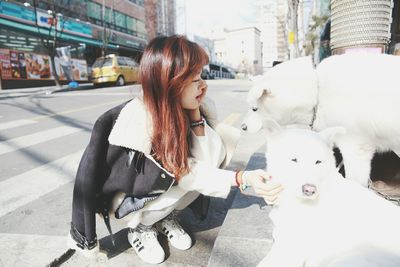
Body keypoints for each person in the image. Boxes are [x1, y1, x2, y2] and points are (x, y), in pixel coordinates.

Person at [68, 35, 283, 264]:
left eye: (201, 76)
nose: (203, 85)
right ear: (170, 83)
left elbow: (211, 160)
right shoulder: (139, 120)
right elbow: (186, 172)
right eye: (194, 79)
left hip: (165, 184)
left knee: (198, 177)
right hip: (133, 199)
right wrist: (243, 178)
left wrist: (196, 115)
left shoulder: (186, 107)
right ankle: (140, 228)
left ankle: (163, 217)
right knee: (185, 184)